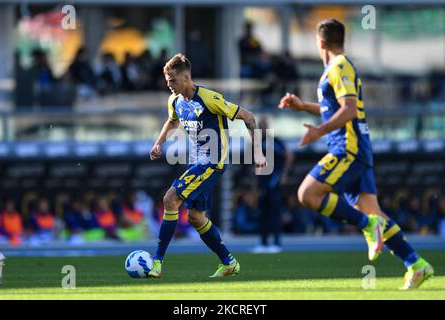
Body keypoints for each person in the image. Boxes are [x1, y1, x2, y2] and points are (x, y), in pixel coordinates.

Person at [278, 19, 433, 290]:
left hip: (347, 148)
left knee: (308, 194)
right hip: (356, 148)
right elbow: (336, 107)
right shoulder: (335, 68)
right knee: (375, 213)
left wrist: (318, 132)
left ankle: (365, 224)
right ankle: (415, 264)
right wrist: (304, 106)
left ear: (321, 42)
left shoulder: (339, 66)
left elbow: (349, 109)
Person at [148, 53, 266, 278]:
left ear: (186, 78)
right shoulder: (174, 101)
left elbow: (249, 117)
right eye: (166, 80)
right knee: (195, 217)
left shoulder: (209, 98)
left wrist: (258, 152)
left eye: (172, 80)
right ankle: (229, 262)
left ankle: (156, 262)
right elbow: (172, 120)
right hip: (196, 162)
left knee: (170, 199)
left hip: (212, 162)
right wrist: (158, 143)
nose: (168, 84)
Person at [252, 118, 294, 253]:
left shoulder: (275, 142)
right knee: (262, 213)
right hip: (262, 184)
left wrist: (284, 175)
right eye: (260, 126)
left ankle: (276, 243)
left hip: (274, 182)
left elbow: (289, 155)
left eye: (264, 126)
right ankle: (263, 243)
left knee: (274, 213)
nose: (262, 128)